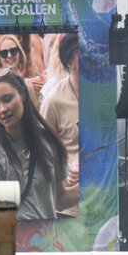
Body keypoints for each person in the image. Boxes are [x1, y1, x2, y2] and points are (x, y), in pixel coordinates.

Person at [0, 67, 77, 221]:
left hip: (50, 235)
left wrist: (94, 183)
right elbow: (3, 218)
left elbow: (59, 199)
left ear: (23, 94)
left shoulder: (47, 140)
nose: (2, 109)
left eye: (7, 99)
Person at [38, 33, 80, 217]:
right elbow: (42, 151)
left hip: (101, 201)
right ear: (70, 62)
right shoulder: (53, 101)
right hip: (68, 206)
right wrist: (67, 169)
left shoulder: (102, 97)